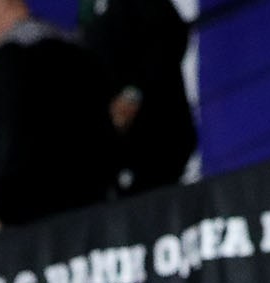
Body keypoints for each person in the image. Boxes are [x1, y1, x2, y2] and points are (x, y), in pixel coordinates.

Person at [0, 0, 119, 234]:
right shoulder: (80, 54)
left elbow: (14, 142)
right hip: (89, 223)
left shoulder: (14, 59)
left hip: (24, 233)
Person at [80, 0, 196, 195]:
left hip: (159, 135)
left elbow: (170, 37)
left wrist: (133, 93)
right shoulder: (87, 9)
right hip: (119, 152)